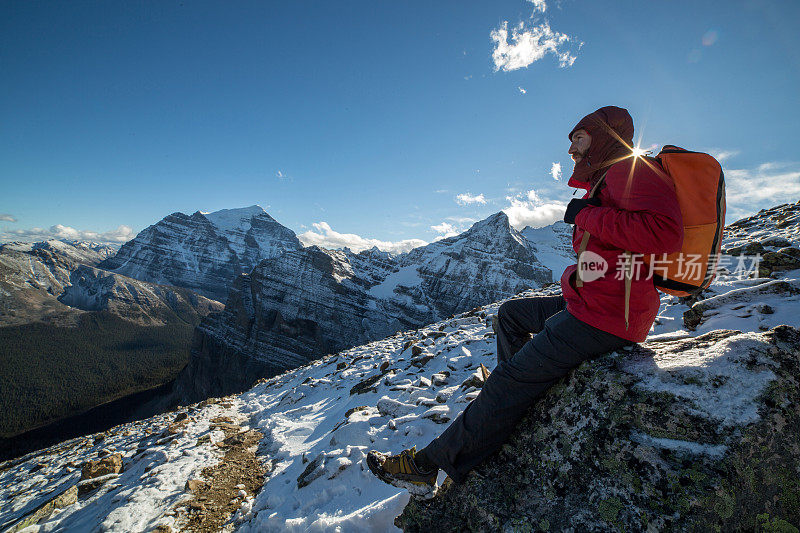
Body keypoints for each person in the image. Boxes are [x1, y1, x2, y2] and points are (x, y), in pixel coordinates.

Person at [366, 106, 684, 498]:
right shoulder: (606, 181)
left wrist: (589, 216)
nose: (571, 150)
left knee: (507, 382)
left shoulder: (632, 172)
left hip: (609, 316)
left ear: (603, 136)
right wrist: (590, 214)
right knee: (511, 315)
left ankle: (425, 467)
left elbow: (666, 235)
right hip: (595, 301)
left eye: (578, 139)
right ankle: (515, 395)